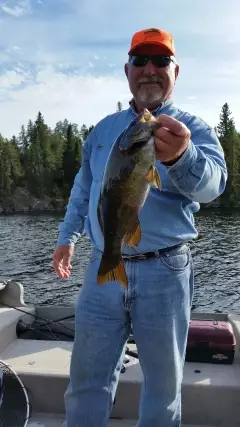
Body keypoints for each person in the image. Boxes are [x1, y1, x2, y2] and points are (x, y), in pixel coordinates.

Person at [52, 28, 227, 427]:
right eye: (141, 61)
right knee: (86, 381)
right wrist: (67, 238)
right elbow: (84, 188)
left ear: (175, 71)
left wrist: (182, 156)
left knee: (163, 388)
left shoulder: (192, 129)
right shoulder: (103, 130)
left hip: (165, 271)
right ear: (127, 71)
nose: (150, 69)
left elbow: (214, 186)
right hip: (103, 266)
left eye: (161, 61)